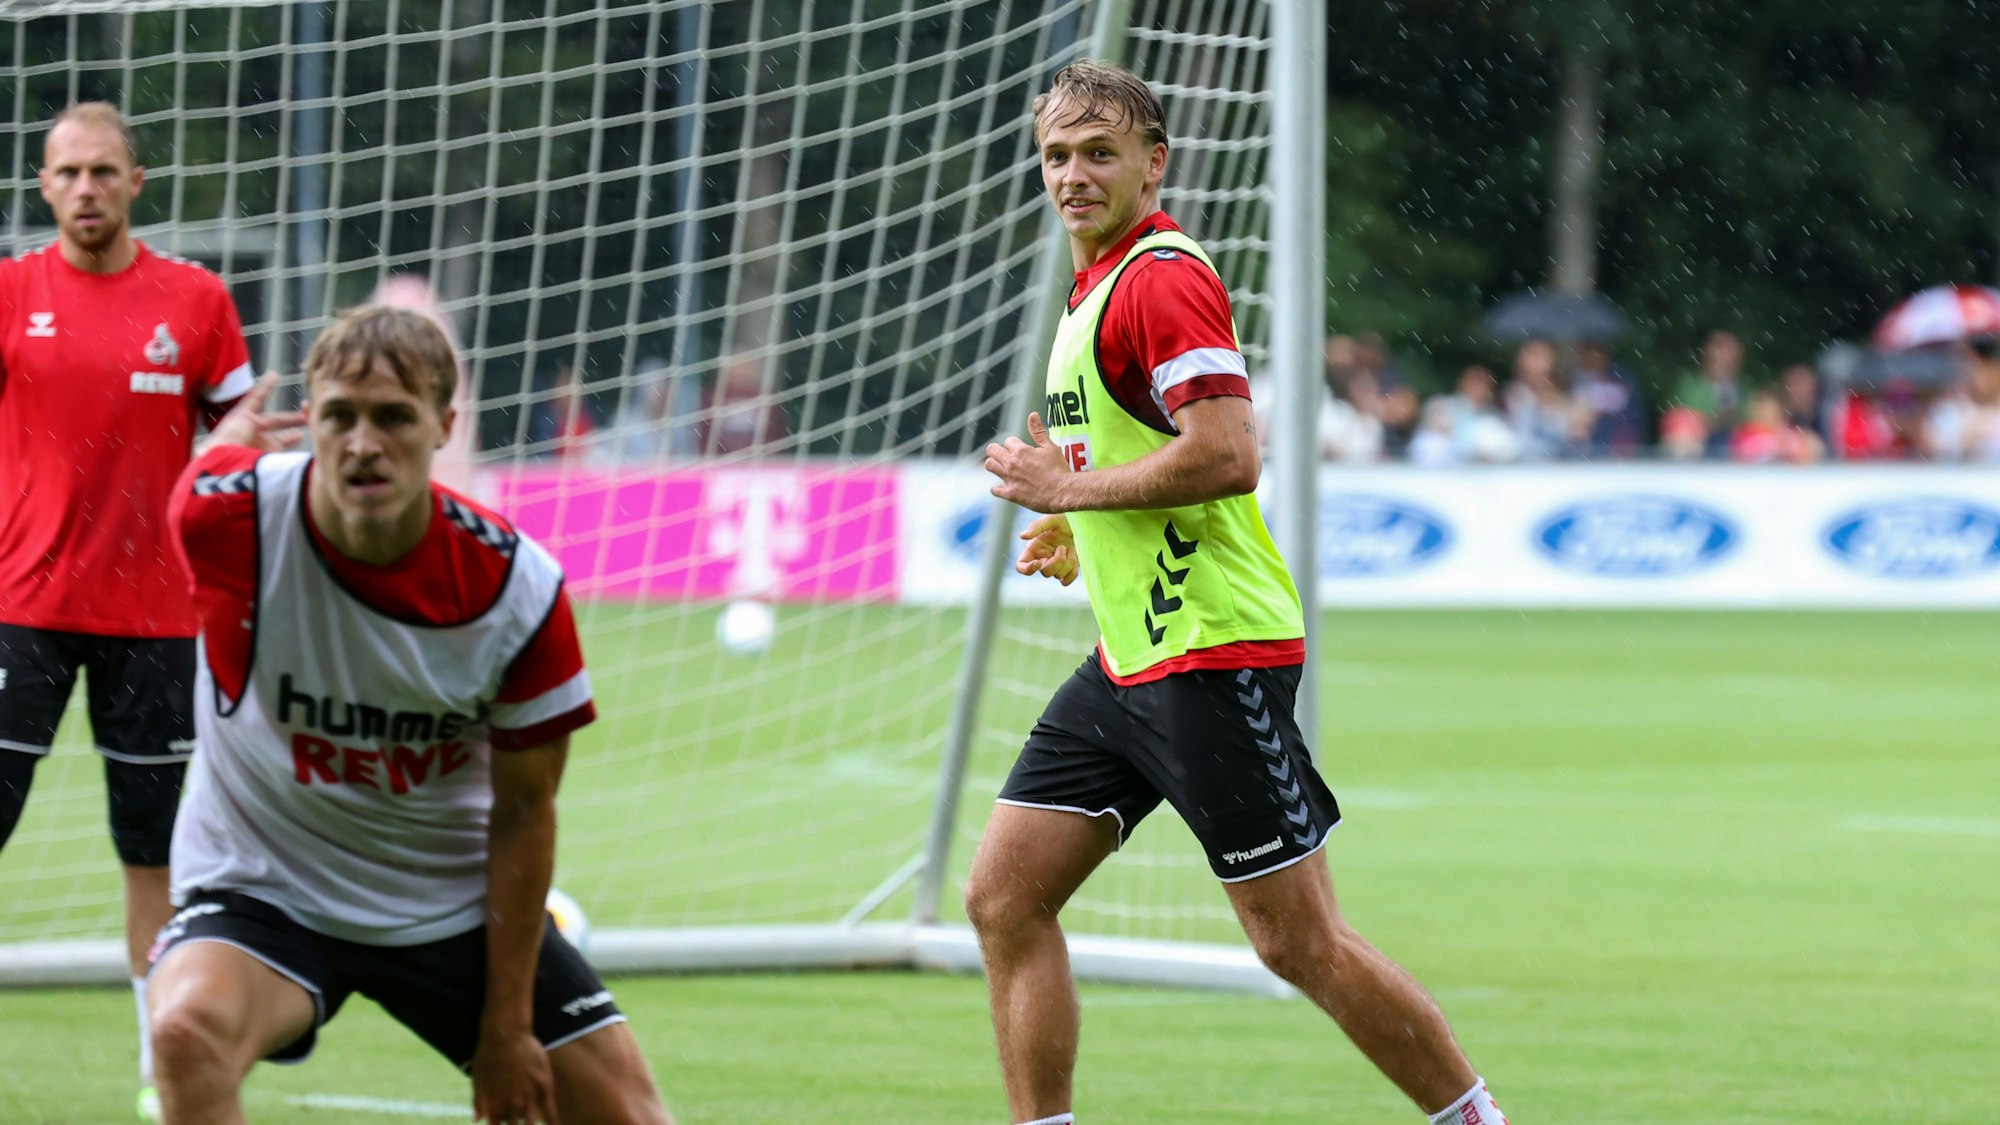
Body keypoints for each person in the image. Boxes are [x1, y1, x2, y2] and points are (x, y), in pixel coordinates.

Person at [972, 60, 1510, 1125]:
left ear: (1151, 164)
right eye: (1055, 156)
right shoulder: (1086, 295)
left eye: (1097, 154)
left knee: (1294, 943)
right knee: (1003, 897)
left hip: (1210, 651)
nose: (1072, 176)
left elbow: (1226, 456)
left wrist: (1073, 488)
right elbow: (1137, 462)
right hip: (1133, 656)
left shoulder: (1160, 277)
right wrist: (1074, 525)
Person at [145, 306, 672, 1125]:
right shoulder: (225, 519)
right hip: (265, 882)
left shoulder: (515, 590)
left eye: (393, 417)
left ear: (444, 425)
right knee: (183, 1030)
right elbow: (210, 465)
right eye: (339, 416)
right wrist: (231, 439)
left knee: (632, 1117)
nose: (363, 444)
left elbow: (526, 811)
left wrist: (506, 1029)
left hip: (448, 900)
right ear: (311, 420)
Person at [0, 101, 255, 1116]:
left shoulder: (193, 301)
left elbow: (237, 417)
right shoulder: (13, 293)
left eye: (104, 173)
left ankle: (165, 1060)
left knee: (153, 855)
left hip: (157, 624)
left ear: (136, 183)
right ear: (44, 186)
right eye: (67, 175)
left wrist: (242, 442)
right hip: (23, 608)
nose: (86, 191)